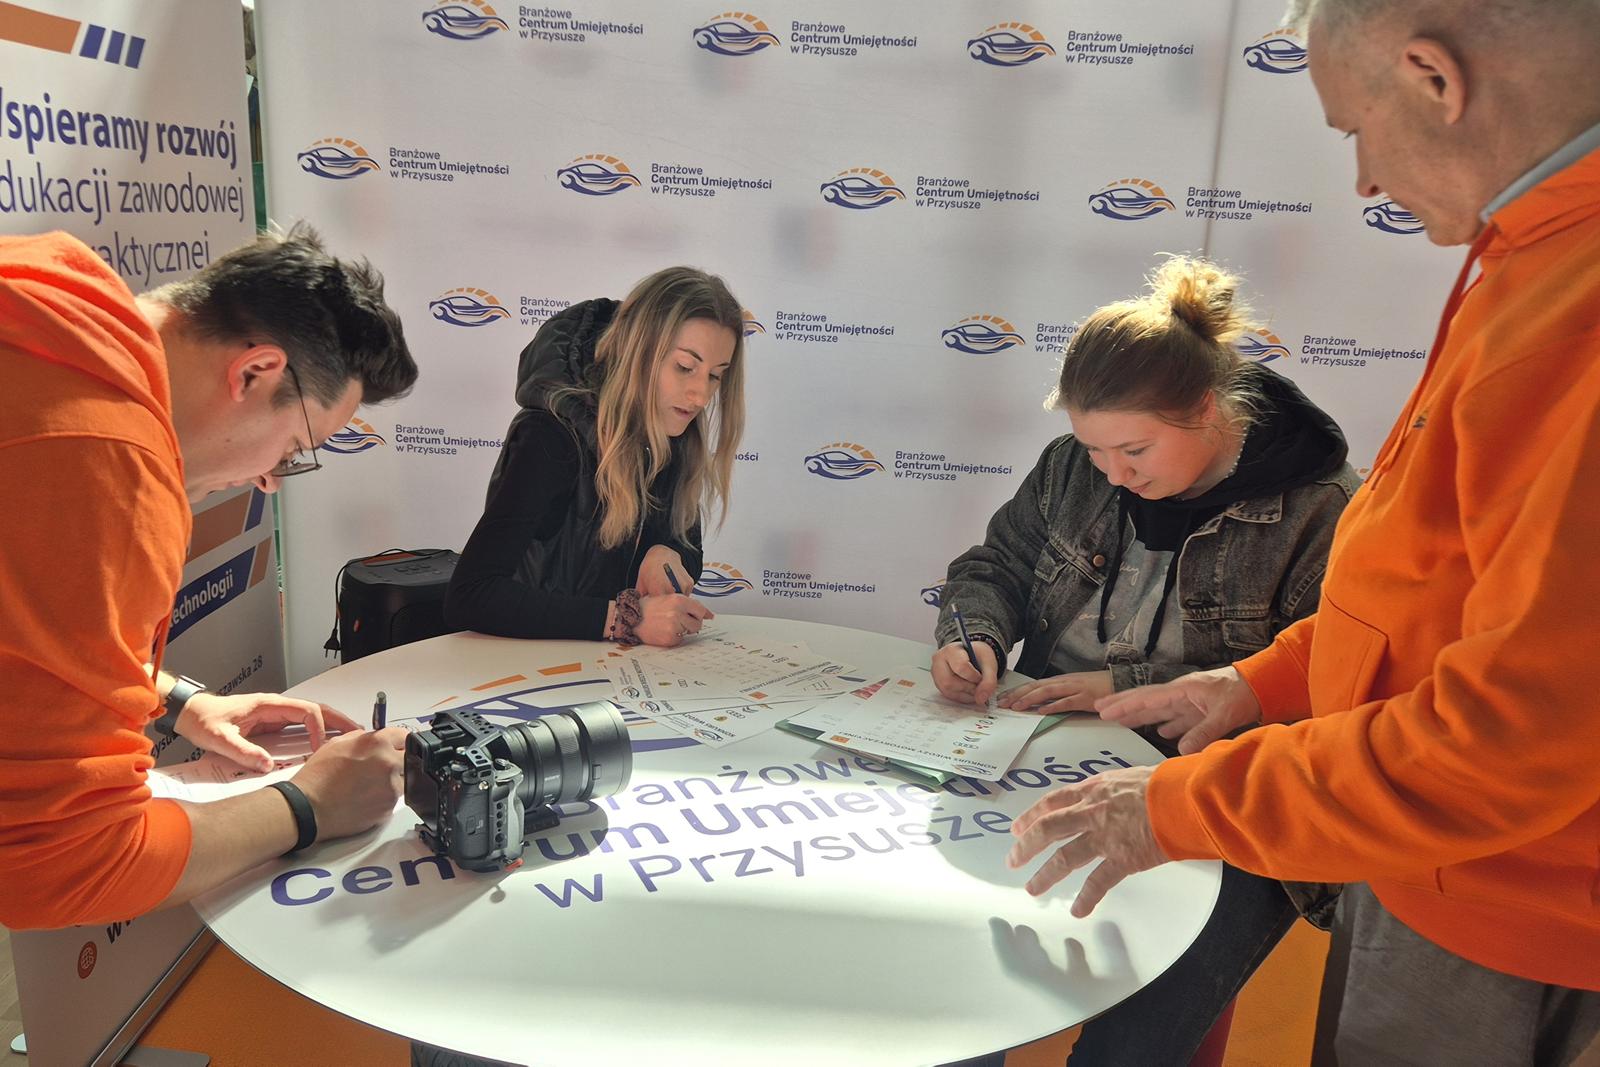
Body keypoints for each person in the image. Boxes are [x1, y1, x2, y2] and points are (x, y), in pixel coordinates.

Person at [1005, 1, 1600, 1062]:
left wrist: (1180, 803)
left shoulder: (1575, 307)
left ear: (1434, 79)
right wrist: (1257, 681)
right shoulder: (1536, 259)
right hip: (1431, 870)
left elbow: (1509, 738)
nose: (1363, 181)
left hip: (1512, 913)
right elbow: (1432, 603)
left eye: (1354, 130)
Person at [933, 256, 1358, 1064]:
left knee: (1136, 1042)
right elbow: (995, 565)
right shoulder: (1076, 467)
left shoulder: (1321, 507)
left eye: (1133, 449)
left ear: (1205, 410)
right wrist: (972, 633)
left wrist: (1125, 686)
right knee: (955, 978)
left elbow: (1323, 692)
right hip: (1046, 751)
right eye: (1093, 449)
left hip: (1223, 799)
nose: (1113, 474)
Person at [0, 225, 419, 929]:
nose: (269, 480)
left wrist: (176, 701)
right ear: (254, 372)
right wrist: (310, 804)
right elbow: (59, 864)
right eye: (293, 449)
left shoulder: (46, 298)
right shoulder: (109, 473)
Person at [445, 266, 746, 648]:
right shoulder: (551, 436)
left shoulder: (674, 430)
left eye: (715, 375)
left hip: (609, 669)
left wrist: (665, 552)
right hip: (525, 668)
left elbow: (687, 546)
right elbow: (470, 596)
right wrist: (625, 620)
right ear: (638, 351)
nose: (701, 396)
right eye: (685, 367)